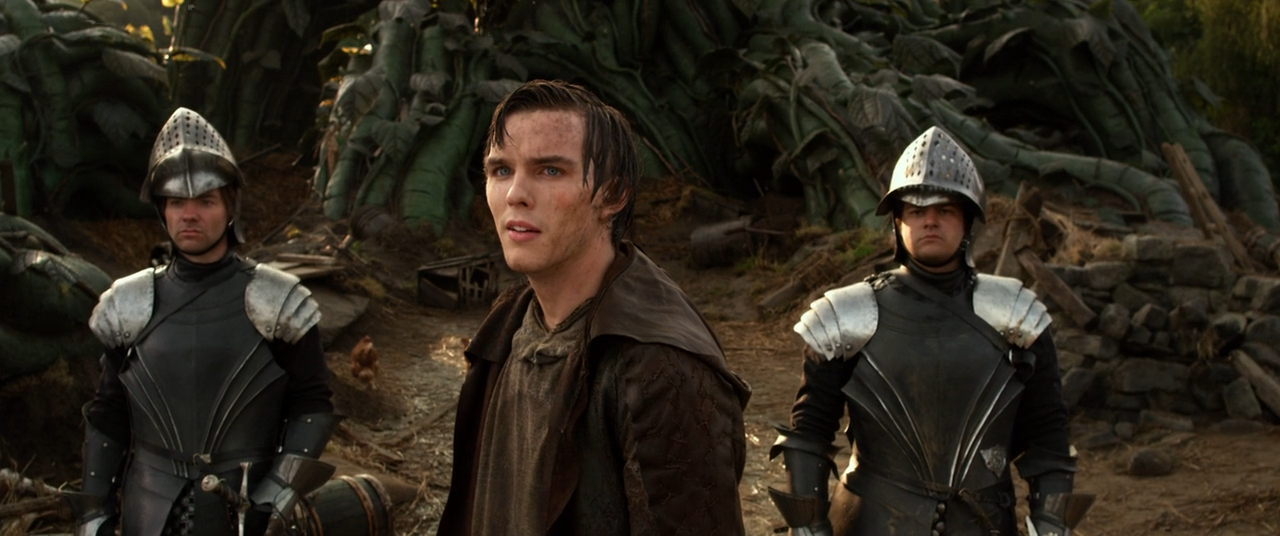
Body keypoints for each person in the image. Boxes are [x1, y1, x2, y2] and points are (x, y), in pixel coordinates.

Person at [437, 79, 752, 536]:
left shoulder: (660, 369)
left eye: (550, 171)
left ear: (613, 195)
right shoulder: (508, 324)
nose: (514, 194)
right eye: (501, 170)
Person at [769, 127, 1087, 536]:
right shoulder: (847, 316)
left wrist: (1051, 526)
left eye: (945, 210)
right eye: (917, 211)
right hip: (868, 523)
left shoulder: (1015, 316)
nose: (930, 221)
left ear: (966, 221)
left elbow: (1048, 437)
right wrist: (808, 528)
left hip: (984, 524)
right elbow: (810, 431)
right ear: (898, 221)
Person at [65, 108, 339, 536]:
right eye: (177, 202)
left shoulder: (276, 301)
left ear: (230, 208)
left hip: (247, 502)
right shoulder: (130, 303)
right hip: (148, 503)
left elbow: (312, 404)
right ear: (163, 210)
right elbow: (108, 414)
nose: (189, 214)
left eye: (205, 201)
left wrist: (277, 494)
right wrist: (95, 510)